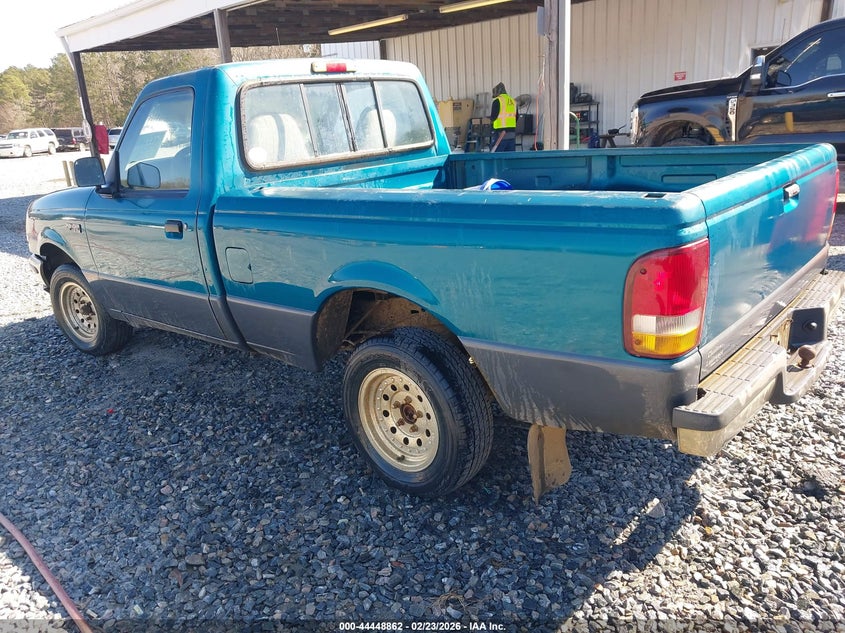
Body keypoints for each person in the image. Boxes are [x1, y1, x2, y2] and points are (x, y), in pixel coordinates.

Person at [489, 82, 517, 152]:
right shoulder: (513, 101)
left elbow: (493, 117)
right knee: (510, 159)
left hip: (500, 135)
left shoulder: (497, 101)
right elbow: (516, 117)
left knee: (496, 158)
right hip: (511, 134)